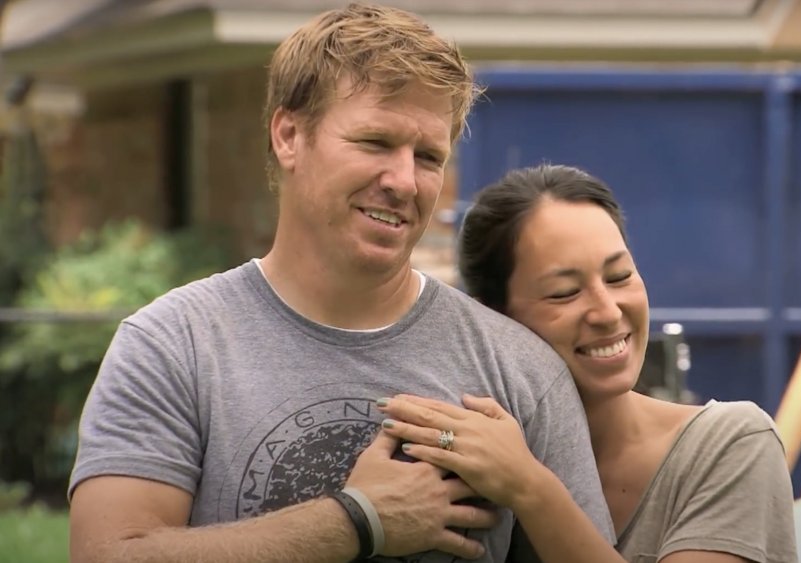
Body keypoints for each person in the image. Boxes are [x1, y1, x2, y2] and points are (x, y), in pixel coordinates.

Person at [67, 7, 613, 563]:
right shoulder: (173, 345)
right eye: (375, 142)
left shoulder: (519, 369)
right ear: (288, 136)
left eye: (428, 157)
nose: (403, 181)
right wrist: (357, 519)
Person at [377, 164, 798, 563]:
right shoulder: (466, 460)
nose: (608, 312)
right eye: (564, 292)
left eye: (619, 277)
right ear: (494, 319)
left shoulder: (731, 444)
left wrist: (530, 489)